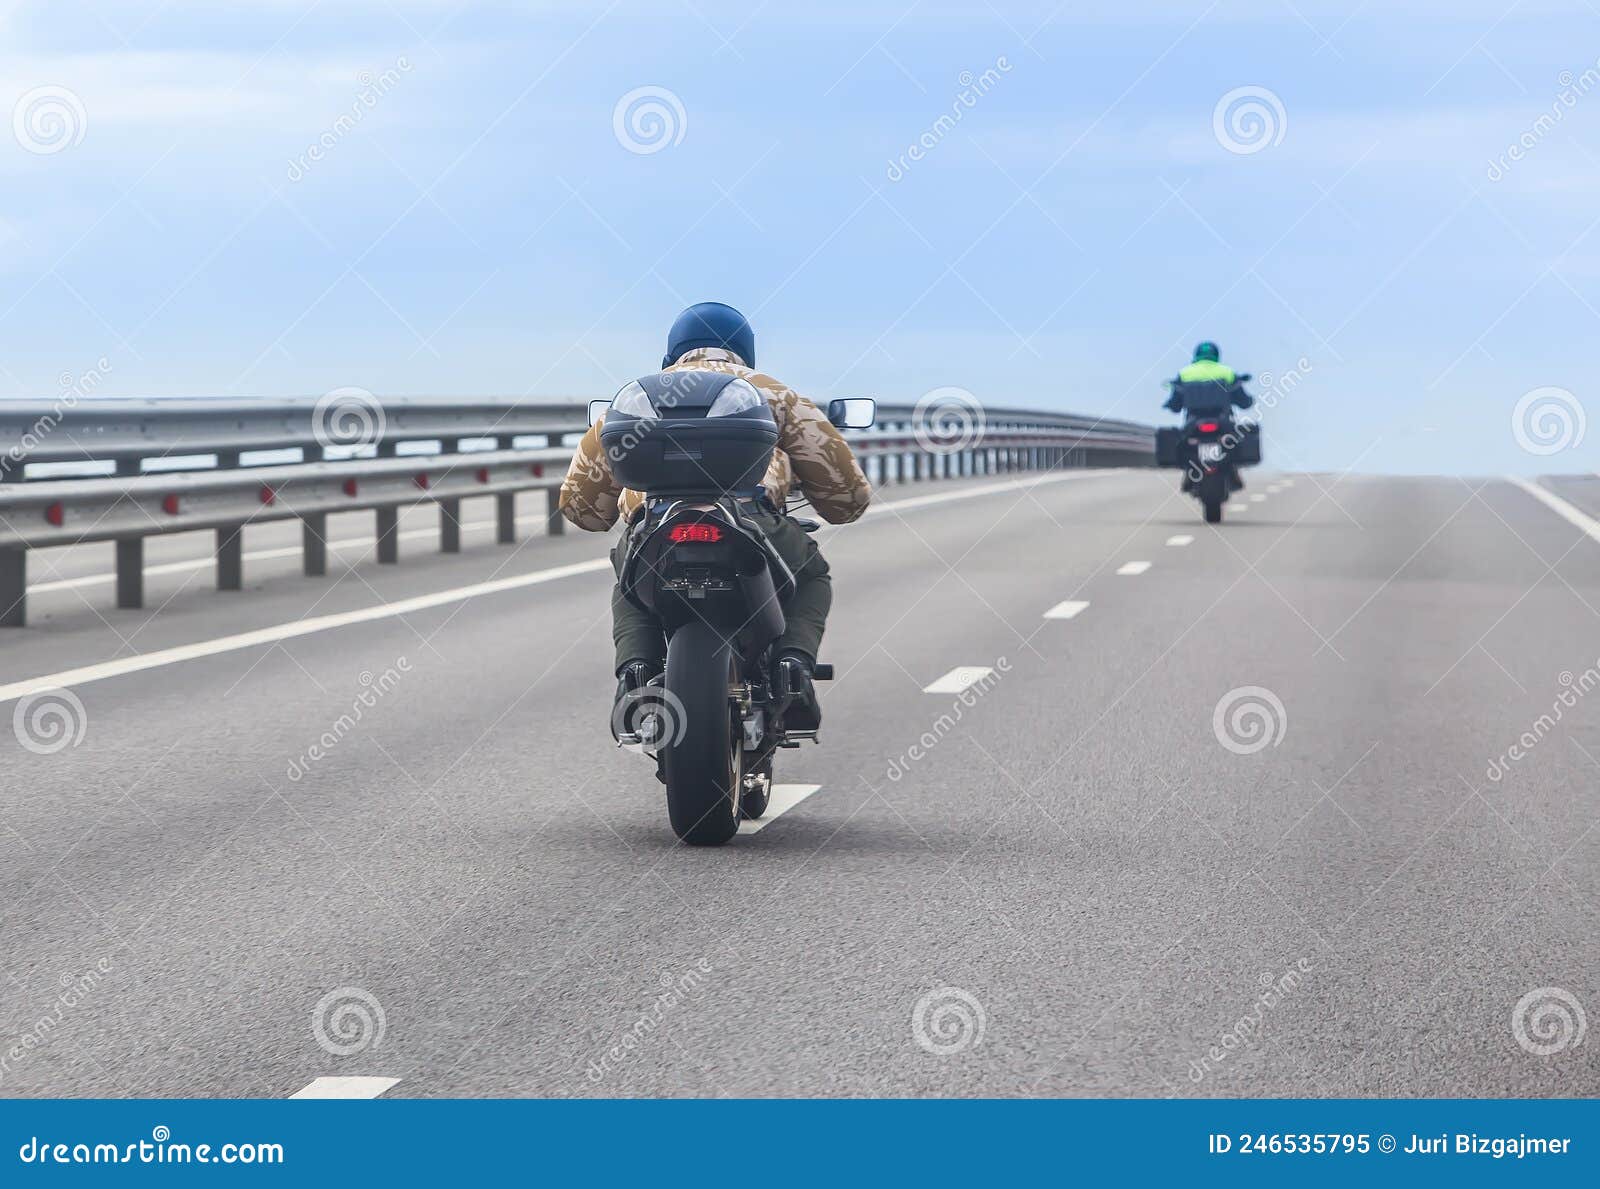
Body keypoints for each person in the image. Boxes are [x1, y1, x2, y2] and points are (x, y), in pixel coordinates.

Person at [559, 301, 872, 729]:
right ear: (745, 351)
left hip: (655, 528)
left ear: (672, 354)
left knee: (630, 586)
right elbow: (847, 499)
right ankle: (794, 667)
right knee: (811, 575)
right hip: (750, 523)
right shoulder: (773, 393)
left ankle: (634, 672)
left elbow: (582, 509)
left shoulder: (635, 399)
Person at [1164, 341, 1254, 491]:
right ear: (1216, 355)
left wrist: (1171, 405)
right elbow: (1243, 401)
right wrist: (1247, 401)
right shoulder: (1227, 372)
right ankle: (1234, 470)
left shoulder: (1185, 373)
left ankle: (1189, 472)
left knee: (1183, 443)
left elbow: (1175, 404)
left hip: (1193, 423)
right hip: (1223, 421)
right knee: (1235, 441)